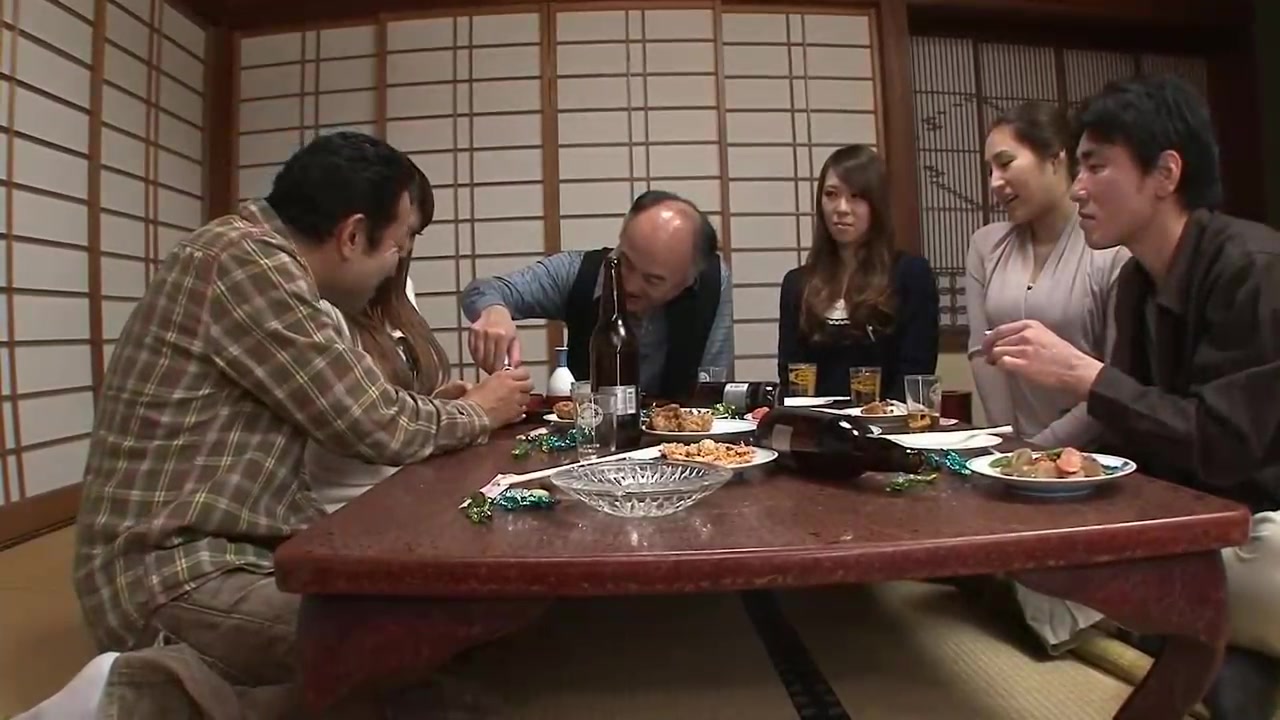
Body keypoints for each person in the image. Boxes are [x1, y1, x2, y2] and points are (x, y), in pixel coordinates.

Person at [65, 131, 533, 719]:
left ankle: (223, 693)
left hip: (257, 551)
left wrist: (446, 405)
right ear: (353, 235)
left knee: (438, 633)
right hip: (174, 571)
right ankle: (135, 694)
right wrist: (479, 410)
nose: (398, 264)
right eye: (399, 246)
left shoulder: (253, 257)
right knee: (410, 637)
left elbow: (354, 404)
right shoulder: (244, 263)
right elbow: (370, 422)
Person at [983, 75, 1280, 719]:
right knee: (1031, 548)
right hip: (1193, 526)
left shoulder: (1253, 268)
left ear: (1165, 173)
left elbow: (1225, 444)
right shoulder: (1136, 285)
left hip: (1263, 526)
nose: (1078, 188)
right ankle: (1209, 641)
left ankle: (1187, 632)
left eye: (1096, 166)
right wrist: (1025, 468)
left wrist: (1086, 376)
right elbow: (1132, 434)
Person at [461, 189, 735, 398]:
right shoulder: (577, 272)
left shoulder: (712, 282)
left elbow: (712, 387)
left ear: (688, 279)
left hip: (679, 441)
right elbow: (483, 289)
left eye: (652, 280)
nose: (629, 285)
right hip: (592, 439)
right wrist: (494, 311)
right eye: (624, 262)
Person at [306, 168, 468, 512]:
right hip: (346, 506)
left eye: (414, 236)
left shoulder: (401, 292)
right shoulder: (320, 307)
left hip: (412, 484)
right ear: (355, 234)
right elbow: (363, 423)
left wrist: (437, 404)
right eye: (404, 233)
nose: (406, 250)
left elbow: (392, 403)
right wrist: (475, 412)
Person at [967, 102, 1128, 447]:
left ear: (1055, 159)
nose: (995, 182)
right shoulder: (986, 246)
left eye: (1005, 163)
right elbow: (983, 351)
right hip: (1009, 454)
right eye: (989, 170)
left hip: (1096, 455)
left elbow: (1118, 380)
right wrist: (1008, 444)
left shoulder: (1112, 250)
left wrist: (1040, 449)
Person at [777, 145, 939, 400]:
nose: (841, 208)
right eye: (831, 194)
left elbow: (916, 372)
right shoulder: (797, 284)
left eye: (856, 196)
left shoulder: (910, 274)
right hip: (815, 422)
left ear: (877, 205)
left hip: (888, 421)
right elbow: (791, 376)